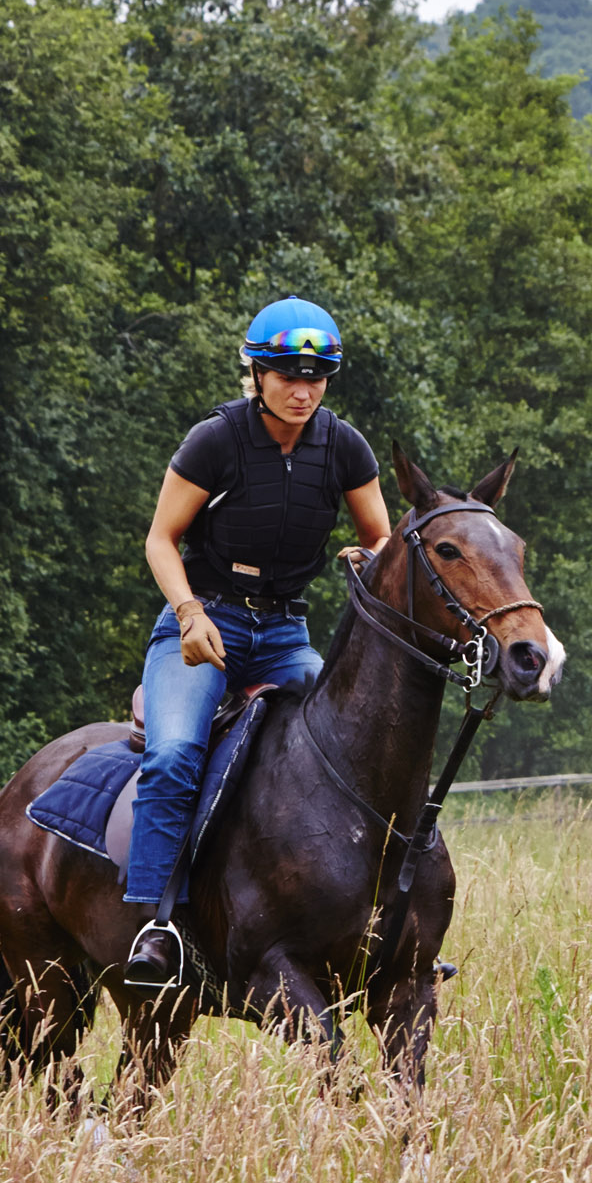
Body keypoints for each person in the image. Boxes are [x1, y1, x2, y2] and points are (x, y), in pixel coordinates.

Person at [123, 297, 392, 986]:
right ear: (258, 374)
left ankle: (387, 919)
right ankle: (159, 925)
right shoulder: (215, 440)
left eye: (316, 378)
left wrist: (374, 562)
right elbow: (160, 539)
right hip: (203, 625)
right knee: (178, 751)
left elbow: (383, 539)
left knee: (355, 743)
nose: (303, 391)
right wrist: (186, 613)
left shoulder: (345, 446)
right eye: (287, 376)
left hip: (284, 634)